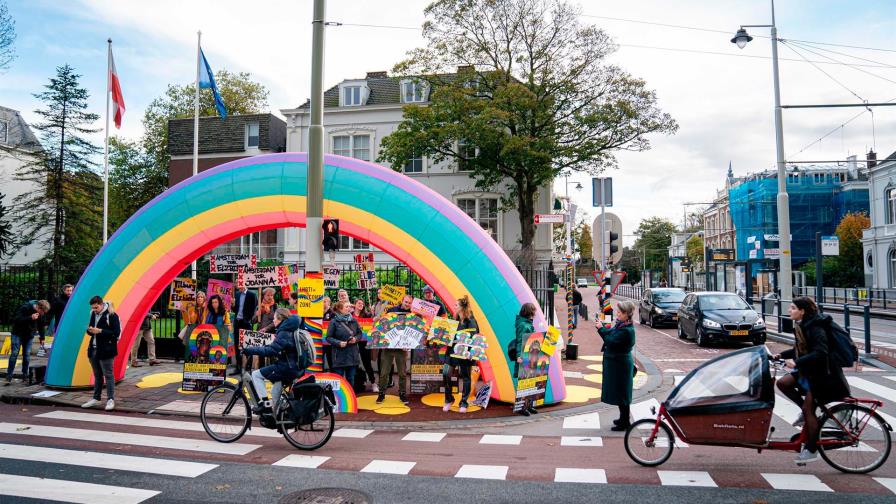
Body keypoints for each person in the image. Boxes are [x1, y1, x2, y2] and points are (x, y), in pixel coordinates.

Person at [773, 297, 850, 465]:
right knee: (783, 383)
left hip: (824, 376)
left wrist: (797, 362)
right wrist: (782, 355)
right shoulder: (805, 324)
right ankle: (804, 411)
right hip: (810, 372)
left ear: (803, 311)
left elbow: (820, 352)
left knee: (810, 411)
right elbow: (800, 348)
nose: (789, 311)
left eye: (793, 308)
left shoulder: (815, 327)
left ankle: (811, 449)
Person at [242, 308, 303, 414]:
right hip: (293, 367)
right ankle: (278, 419)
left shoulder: (284, 331)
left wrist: (250, 350)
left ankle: (265, 405)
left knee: (256, 374)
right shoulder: (291, 328)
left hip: (286, 367)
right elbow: (277, 347)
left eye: (274, 318)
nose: (273, 321)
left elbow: (272, 350)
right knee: (275, 394)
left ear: (280, 319)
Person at [598, 300, 637, 431]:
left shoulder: (626, 330)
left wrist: (600, 329)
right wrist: (603, 327)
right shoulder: (622, 325)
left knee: (622, 393)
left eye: (620, 312)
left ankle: (625, 422)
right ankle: (623, 418)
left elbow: (611, 341)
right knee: (621, 392)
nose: (617, 314)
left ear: (626, 314)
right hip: (618, 363)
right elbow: (611, 334)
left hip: (620, 364)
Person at [81, 296, 121, 411]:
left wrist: (100, 331)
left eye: (96, 307)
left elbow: (116, 333)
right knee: (97, 375)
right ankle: (96, 397)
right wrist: (89, 330)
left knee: (108, 375)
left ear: (101, 304)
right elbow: (91, 332)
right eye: (93, 308)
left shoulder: (112, 315)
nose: (95, 310)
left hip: (106, 349)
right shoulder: (93, 314)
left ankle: (110, 399)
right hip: (93, 348)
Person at [443, 295, 478, 413]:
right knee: (446, 372)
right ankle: (449, 399)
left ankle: (464, 402)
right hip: (452, 352)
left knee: (466, 377)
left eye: (456, 305)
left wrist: (469, 352)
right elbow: (448, 335)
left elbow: (474, 338)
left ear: (462, 308)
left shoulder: (471, 321)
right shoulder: (455, 319)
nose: (454, 306)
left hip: (465, 353)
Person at [377, 294, 413, 405]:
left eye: (409, 302)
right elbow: (383, 325)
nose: (407, 304)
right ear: (402, 300)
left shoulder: (412, 314)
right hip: (389, 346)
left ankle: (402, 393)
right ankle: (381, 393)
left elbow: (413, 330)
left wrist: (408, 344)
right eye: (405, 301)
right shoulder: (392, 310)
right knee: (384, 372)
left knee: (402, 373)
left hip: (402, 348)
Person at [6, 299, 50, 384]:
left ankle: (25, 376)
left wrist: (42, 338)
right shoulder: (26, 307)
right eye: (42, 312)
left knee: (26, 355)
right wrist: (30, 318)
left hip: (29, 335)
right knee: (14, 353)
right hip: (17, 333)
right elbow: (16, 319)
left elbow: (41, 326)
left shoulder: (41, 314)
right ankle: (9, 376)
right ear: (38, 307)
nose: (43, 314)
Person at [511, 302, 538, 416]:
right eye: (534, 311)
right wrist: (518, 356)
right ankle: (522, 407)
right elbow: (520, 341)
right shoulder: (523, 325)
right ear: (530, 312)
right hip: (524, 356)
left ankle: (529, 405)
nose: (535, 314)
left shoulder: (527, 323)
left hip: (529, 355)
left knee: (530, 381)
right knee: (524, 382)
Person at [326, 301, 362, 386]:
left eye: (349, 306)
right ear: (339, 309)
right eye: (346, 307)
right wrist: (339, 343)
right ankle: (339, 399)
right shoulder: (333, 322)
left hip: (352, 355)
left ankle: (350, 398)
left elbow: (360, 334)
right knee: (339, 380)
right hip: (339, 356)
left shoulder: (354, 320)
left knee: (351, 379)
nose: (349, 308)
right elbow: (328, 338)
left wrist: (355, 339)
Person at [353, 298, 376, 391]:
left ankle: (373, 383)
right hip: (352, 342)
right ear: (354, 304)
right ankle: (356, 382)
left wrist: (373, 314)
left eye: (362, 304)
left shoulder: (367, 315)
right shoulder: (350, 315)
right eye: (359, 303)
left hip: (363, 341)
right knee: (353, 363)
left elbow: (373, 322)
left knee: (367, 363)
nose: (361, 305)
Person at [233, 285, 257, 370]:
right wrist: (232, 305)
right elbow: (235, 310)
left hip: (246, 323)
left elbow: (254, 308)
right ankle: (238, 367)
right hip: (237, 322)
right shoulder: (237, 294)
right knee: (237, 345)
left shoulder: (252, 295)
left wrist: (247, 320)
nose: (239, 286)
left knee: (247, 344)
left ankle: (248, 367)